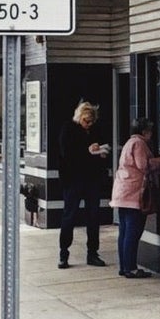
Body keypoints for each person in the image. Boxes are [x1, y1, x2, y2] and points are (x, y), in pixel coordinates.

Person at [111, 119, 160, 277]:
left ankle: (124, 267)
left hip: (122, 193)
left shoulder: (129, 142)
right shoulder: (139, 143)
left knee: (124, 231)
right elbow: (144, 165)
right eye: (150, 131)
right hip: (134, 194)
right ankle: (131, 268)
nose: (151, 134)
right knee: (133, 232)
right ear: (144, 131)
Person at [56, 100, 110, 268]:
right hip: (73, 179)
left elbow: (102, 148)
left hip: (92, 179)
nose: (89, 125)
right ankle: (64, 253)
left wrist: (101, 153)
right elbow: (67, 154)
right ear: (79, 117)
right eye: (86, 121)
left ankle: (92, 253)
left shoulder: (94, 130)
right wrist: (88, 151)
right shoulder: (69, 129)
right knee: (69, 215)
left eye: (91, 121)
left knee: (93, 216)